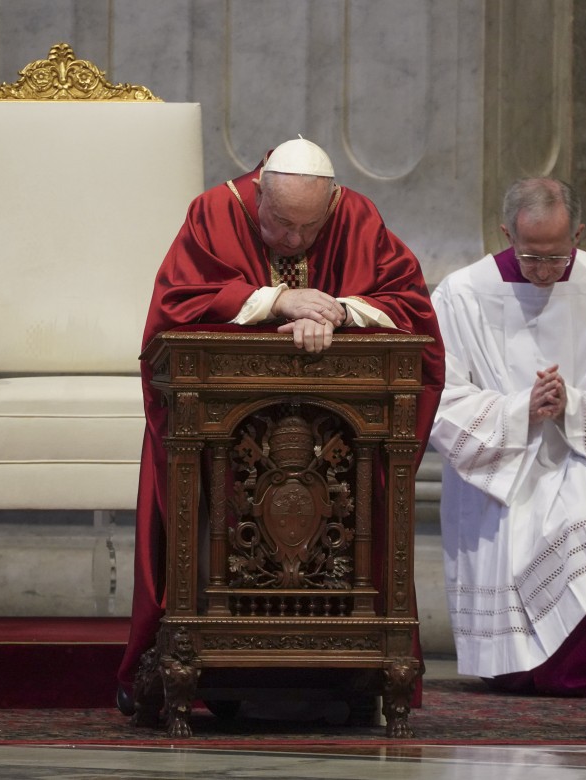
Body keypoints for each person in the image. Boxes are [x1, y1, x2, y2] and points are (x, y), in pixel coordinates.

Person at [117, 138, 445, 711]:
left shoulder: (358, 216)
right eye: (280, 224)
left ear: (333, 201)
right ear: (258, 192)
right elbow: (175, 305)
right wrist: (275, 302)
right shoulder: (215, 211)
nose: (293, 241)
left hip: (333, 436)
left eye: (308, 228)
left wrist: (340, 311)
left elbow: (411, 305)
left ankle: (342, 673)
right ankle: (209, 665)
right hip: (227, 428)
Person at [428, 177, 586, 698]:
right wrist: (522, 411)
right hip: (501, 466)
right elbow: (440, 397)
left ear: (578, 234)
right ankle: (519, 669)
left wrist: (573, 406)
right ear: (504, 233)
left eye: (556, 259)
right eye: (530, 257)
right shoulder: (462, 293)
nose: (542, 272)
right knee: (517, 523)